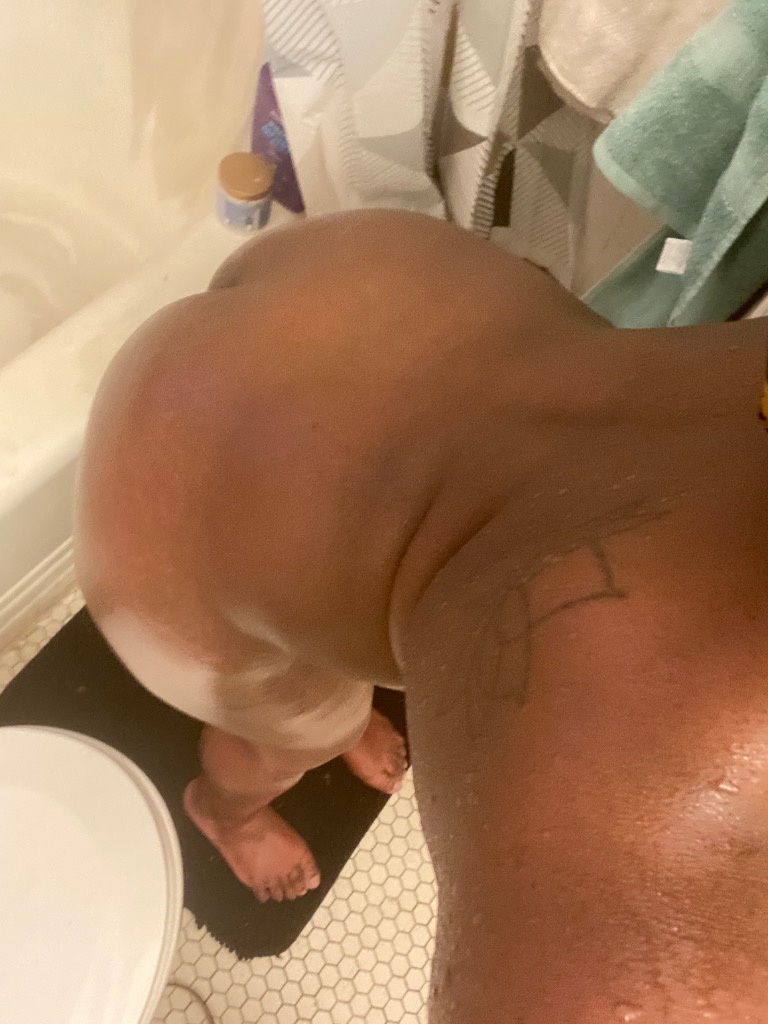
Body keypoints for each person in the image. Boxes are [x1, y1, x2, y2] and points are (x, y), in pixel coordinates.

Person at [75, 210, 768, 1022]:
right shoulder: (665, 841)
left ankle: (343, 654)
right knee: (302, 734)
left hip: (370, 277)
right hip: (175, 528)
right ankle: (227, 813)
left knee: (379, 641)